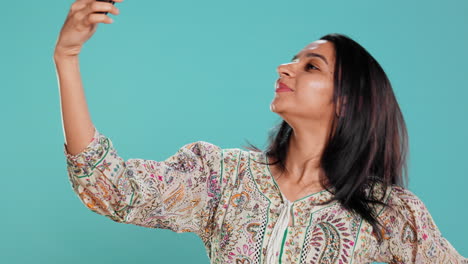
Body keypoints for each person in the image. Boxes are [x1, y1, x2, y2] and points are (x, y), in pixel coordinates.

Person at [54, 1, 468, 263]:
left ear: (346, 101)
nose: (284, 68)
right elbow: (111, 190)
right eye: (292, 59)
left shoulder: (387, 211)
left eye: (311, 66)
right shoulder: (220, 177)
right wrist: (67, 58)